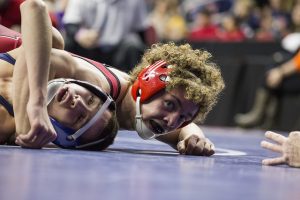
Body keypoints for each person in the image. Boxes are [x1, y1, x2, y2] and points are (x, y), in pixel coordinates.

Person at [4, 0, 225, 156]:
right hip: (10, 53)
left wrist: (194, 136)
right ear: (148, 85)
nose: (172, 121)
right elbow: (35, 11)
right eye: (170, 105)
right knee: (53, 41)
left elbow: (182, 128)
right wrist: (33, 111)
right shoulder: (96, 83)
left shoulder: (152, 115)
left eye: (183, 116)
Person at [0, 0, 118, 150]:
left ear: (60, 133)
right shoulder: (48, 52)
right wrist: (37, 102)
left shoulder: (6, 123)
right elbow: (34, 6)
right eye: (90, 100)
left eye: (80, 117)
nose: (78, 102)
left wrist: (26, 126)